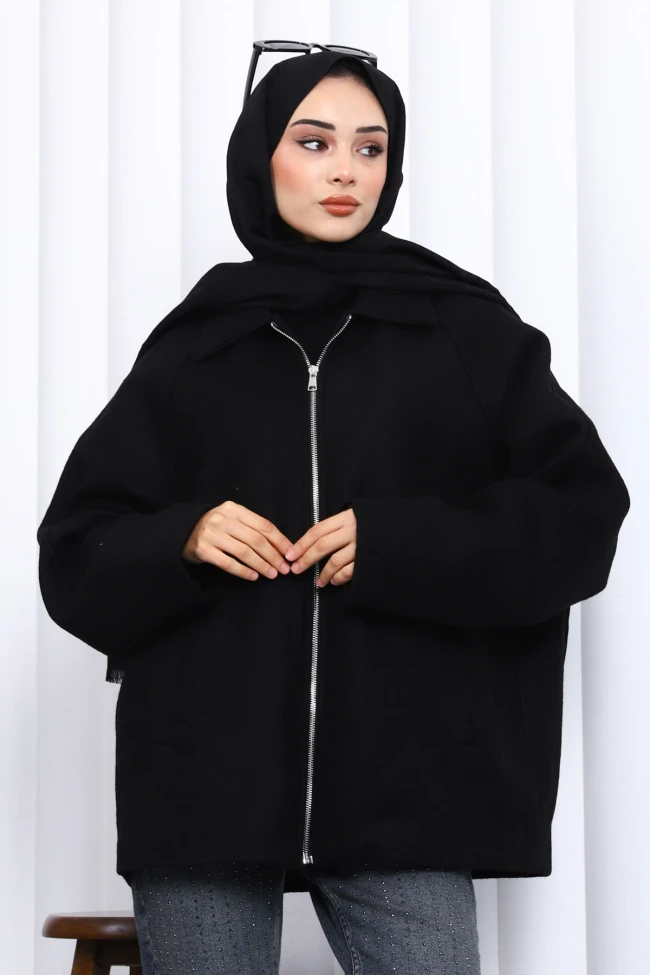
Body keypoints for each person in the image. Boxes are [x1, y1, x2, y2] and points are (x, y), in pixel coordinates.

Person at [36, 48, 631, 975]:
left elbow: (582, 515)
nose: (345, 169)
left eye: (370, 146)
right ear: (260, 156)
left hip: (409, 780)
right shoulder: (196, 345)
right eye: (313, 142)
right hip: (206, 777)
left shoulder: (464, 331)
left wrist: (403, 543)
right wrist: (183, 538)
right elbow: (75, 549)